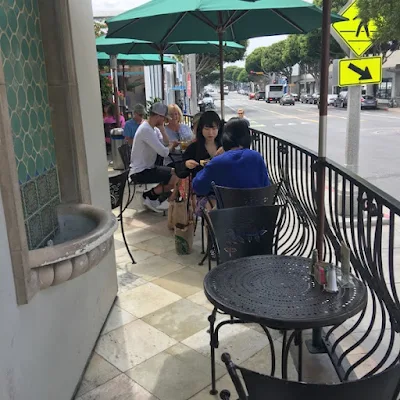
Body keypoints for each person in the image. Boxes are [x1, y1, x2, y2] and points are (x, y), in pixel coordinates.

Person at [193, 118, 270, 196]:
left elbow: (198, 187)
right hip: (256, 206)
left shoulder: (218, 161)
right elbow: (266, 186)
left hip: (227, 207)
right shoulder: (256, 157)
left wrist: (214, 159)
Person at [130, 103, 179, 212]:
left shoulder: (152, 129)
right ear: (158, 116)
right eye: (164, 119)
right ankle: (151, 197)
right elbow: (164, 152)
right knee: (176, 176)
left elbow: (165, 143)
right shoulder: (146, 130)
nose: (165, 121)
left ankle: (150, 196)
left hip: (149, 167)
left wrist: (162, 129)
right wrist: (172, 146)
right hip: (140, 171)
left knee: (176, 174)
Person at [179, 111, 224, 214]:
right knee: (212, 209)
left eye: (214, 129)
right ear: (201, 129)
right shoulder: (194, 148)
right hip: (203, 191)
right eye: (207, 129)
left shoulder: (224, 146)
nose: (210, 133)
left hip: (223, 190)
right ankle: (213, 229)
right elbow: (180, 170)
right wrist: (186, 164)